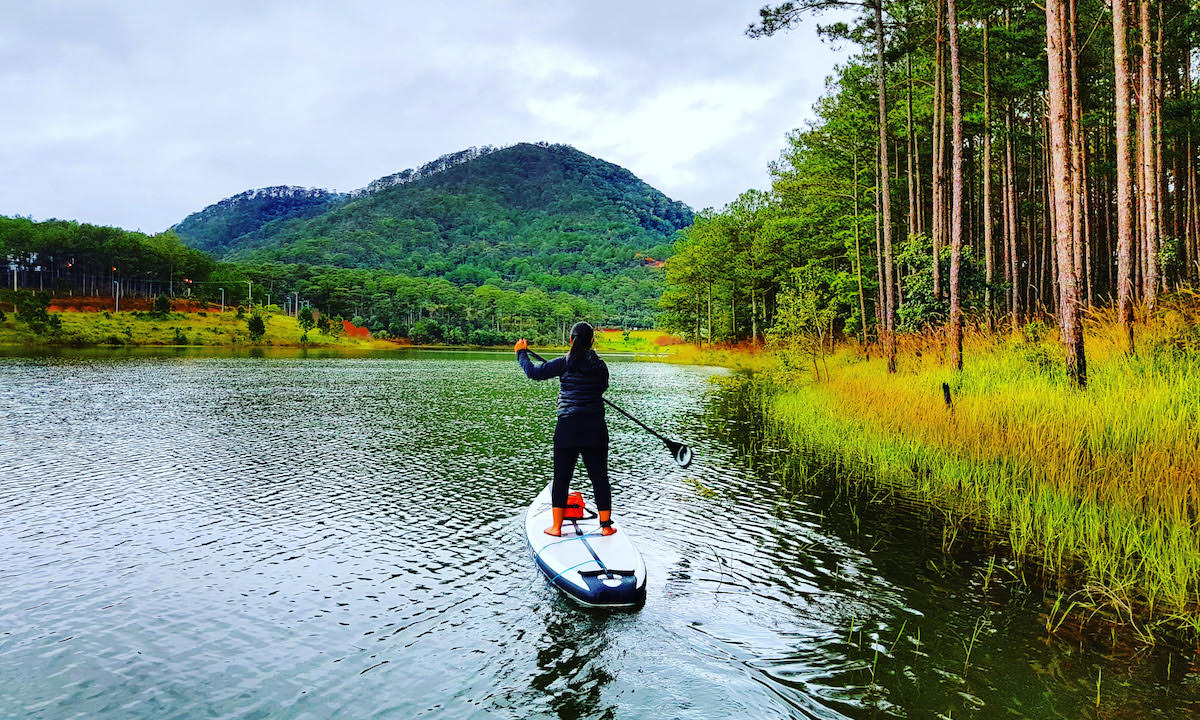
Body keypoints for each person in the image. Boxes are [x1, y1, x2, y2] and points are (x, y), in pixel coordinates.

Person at [515, 322, 615, 537]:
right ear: (592, 341)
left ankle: (557, 528)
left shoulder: (563, 363)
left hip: (568, 427)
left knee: (562, 478)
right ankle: (606, 527)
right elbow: (602, 387)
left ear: (571, 340)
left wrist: (521, 353)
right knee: (600, 478)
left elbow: (533, 372)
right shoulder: (600, 366)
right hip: (595, 428)